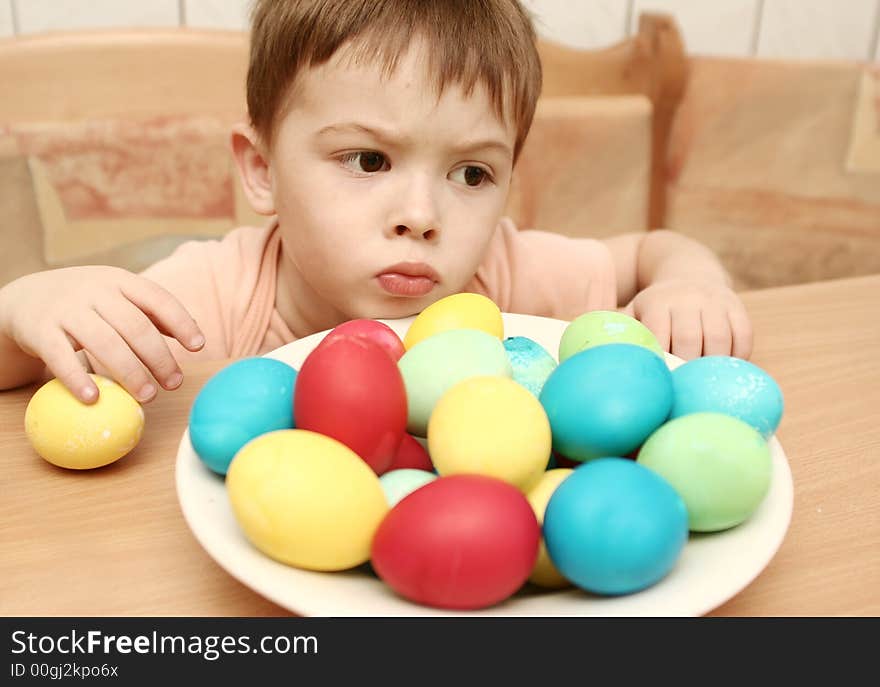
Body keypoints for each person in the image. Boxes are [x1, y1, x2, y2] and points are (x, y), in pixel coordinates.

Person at [0, 0, 752, 406]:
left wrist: (693, 281)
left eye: (471, 174)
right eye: (369, 159)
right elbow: (35, 366)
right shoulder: (212, 299)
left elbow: (651, 253)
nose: (421, 215)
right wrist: (26, 307)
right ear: (260, 170)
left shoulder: (500, 273)